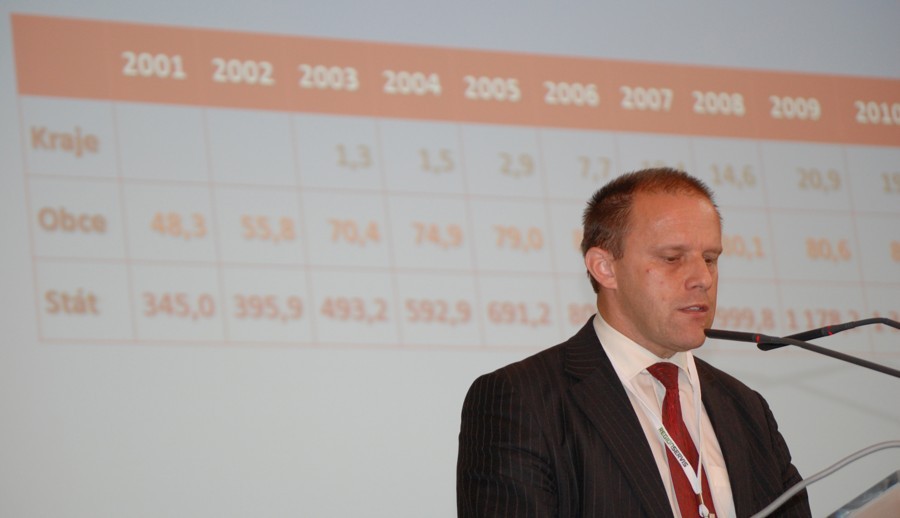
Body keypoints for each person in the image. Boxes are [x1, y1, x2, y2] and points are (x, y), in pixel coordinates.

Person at [457, 168, 811, 517]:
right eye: (672, 258)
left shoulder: (746, 408)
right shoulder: (524, 401)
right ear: (605, 268)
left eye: (710, 259)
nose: (703, 278)